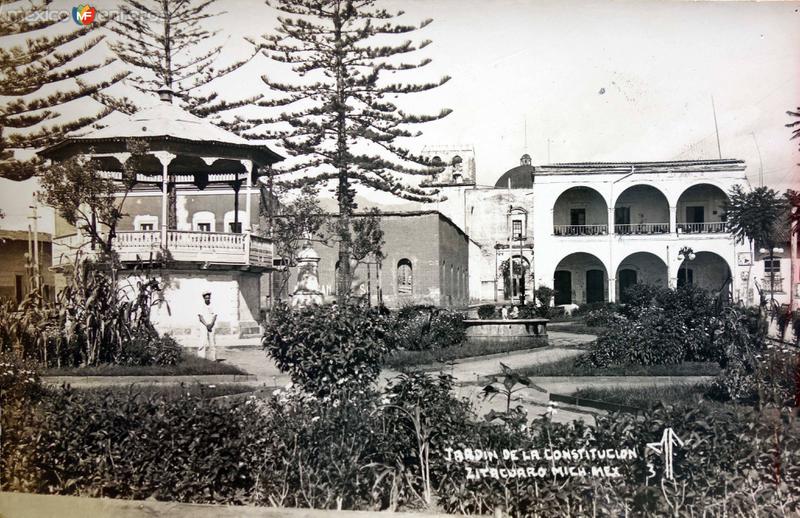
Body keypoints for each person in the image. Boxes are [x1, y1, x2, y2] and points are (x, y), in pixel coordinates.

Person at [198, 290, 217, 361]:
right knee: (202, 341)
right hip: (204, 325)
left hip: (211, 325)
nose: (207, 299)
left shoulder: (213, 305)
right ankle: (201, 358)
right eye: (206, 298)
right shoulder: (201, 306)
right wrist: (206, 325)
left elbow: (215, 316)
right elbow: (200, 317)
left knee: (212, 342)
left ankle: (213, 359)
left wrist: (211, 324)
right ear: (204, 298)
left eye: (208, 298)